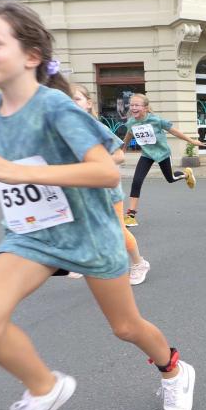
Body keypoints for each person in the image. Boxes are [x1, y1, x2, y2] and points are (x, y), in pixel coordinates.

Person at [0, 2, 194, 410]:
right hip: (31, 235)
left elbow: (105, 172)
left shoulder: (55, 107)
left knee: (125, 327)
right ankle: (43, 388)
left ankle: (174, 371)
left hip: (89, 235)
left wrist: (19, 172)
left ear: (31, 55)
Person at [69, 85, 150, 285]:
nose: (72, 103)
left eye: (77, 99)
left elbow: (119, 155)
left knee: (118, 232)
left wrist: (95, 163)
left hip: (107, 190)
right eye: (68, 99)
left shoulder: (97, 128)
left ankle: (139, 263)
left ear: (88, 104)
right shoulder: (65, 131)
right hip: (83, 190)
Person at [121, 94, 206, 226]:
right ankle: (131, 215)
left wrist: (192, 141)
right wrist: (123, 149)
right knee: (136, 181)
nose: (133, 108)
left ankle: (186, 174)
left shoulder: (156, 120)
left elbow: (174, 132)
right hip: (147, 155)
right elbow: (128, 135)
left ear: (145, 108)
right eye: (131, 105)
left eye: (137, 105)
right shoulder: (131, 122)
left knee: (171, 178)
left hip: (162, 154)